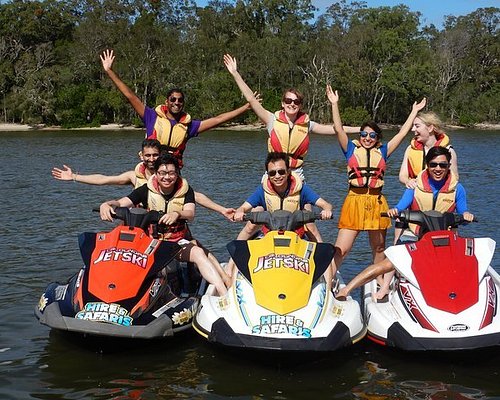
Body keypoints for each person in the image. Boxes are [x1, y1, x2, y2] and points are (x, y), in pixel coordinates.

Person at [337, 146, 474, 300]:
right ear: (427, 165)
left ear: (448, 166)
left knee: (463, 261)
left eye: (442, 165)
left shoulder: (457, 189)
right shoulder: (414, 185)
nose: (438, 169)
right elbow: (401, 206)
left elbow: (463, 213)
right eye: (433, 165)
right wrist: (395, 211)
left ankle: (459, 293)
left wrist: (466, 216)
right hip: (415, 235)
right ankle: (363, 288)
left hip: (444, 239)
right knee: (391, 262)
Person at [326, 85, 427, 277]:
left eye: (372, 135)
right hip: (354, 201)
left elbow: (401, 134)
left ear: (377, 138)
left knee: (379, 248)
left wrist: (414, 111)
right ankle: (328, 280)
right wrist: (334, 104)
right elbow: (338, 129)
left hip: (376, 202)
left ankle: (380, 283)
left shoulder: (383, 151)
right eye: (364, 134)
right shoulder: (350, 150)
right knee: (342, 249)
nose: (367, 138)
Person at [99, 154, 229, 295]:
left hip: (175, 242)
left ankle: (224, 294)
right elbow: (121, 202)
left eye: (171, 173)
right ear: (156, 174)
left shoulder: (186, 191)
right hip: (150, 243)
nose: (167, 177)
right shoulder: (145, 190)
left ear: (177, 174)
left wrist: (177, 214)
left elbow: (190, 213)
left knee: (198, 253)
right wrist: (107, 204)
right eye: (162, 173)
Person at [100, 49, 252, 168]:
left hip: (172, 173)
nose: (176, 103)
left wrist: (245, 107)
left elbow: (218, 119)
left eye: (180, 100)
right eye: (173, 99)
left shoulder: (189, 126)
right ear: (167, 102)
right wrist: (109, 71)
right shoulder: (151, 117)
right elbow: (130, 96)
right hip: (152, 169)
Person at [223, 54, 359, 180]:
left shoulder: (307, 124)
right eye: (288, 101)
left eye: (296, 102)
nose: (292, 104)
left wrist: (362, 129)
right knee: (259, 200)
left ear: (300, 105)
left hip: (296, 173)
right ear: (283, 103)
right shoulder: (271, 120)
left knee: (308, 200)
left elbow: (338, 129)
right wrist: (235, 73)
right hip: (275, 173)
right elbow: (252, 99)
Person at [230, 152, 334, 279]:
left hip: (296, 236)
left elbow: (326, 205)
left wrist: (326, 211)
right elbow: (243, 207)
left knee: (313, 231)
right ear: (268, 175)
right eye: (272, 173)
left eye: (281, 172)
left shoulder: (301, 189)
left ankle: (327, 278)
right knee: (249, 228)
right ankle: (231, 268)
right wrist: (240, 212)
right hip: (269, 236)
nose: (277, 176)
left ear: (288, 172)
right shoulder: (263, 190)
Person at [52, 138, 162, 188]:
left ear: (161, 155)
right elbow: (103, 179)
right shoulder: (133, 176)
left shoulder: (167, 177)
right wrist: (74, 176)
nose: (152, 159)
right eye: (148, 155)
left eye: (155, 155)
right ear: (141, 156)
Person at [399, 111, 458, 189]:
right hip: (415, 191)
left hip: (439, 192)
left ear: (430, 128)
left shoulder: (448, 151)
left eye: (417, 126)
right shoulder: (410, 149)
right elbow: (402, 175)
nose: (413, 129)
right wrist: (408, 181)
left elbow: (455, 178)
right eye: (413, 126)